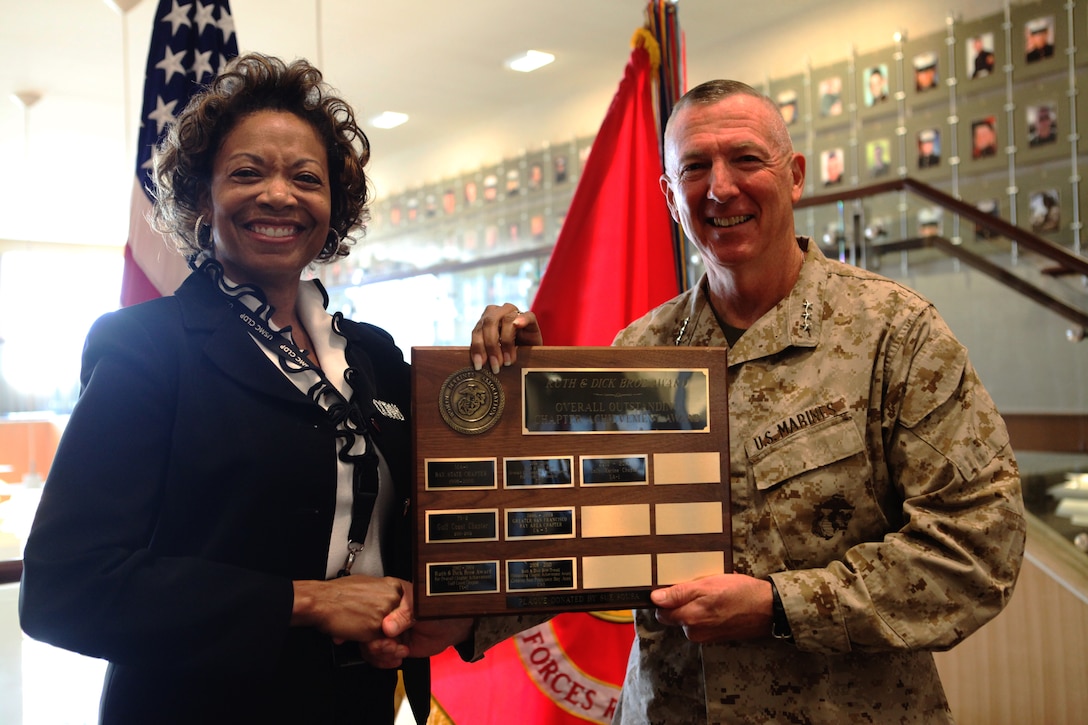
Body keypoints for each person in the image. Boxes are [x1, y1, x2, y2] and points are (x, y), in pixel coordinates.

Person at [444, 79, 1026, 723]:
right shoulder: (640, 353)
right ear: (669, 197)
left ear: (796, 175)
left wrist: (779, 605)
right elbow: (588, 538)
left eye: (747, 159)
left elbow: (978, 547)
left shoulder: (895, 333)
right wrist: (521, 407)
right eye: (694, 168)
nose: (721, 188)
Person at [18, 53, 474, 725]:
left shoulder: (373, 354)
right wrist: (309, 601)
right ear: (203, 197)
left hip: (359, 704)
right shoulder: (147, 346)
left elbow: (440, 505)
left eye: (307, 178)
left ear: (333, 207)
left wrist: (498, 363)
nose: (280, 195)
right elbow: (64, 587)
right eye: (247, 172)